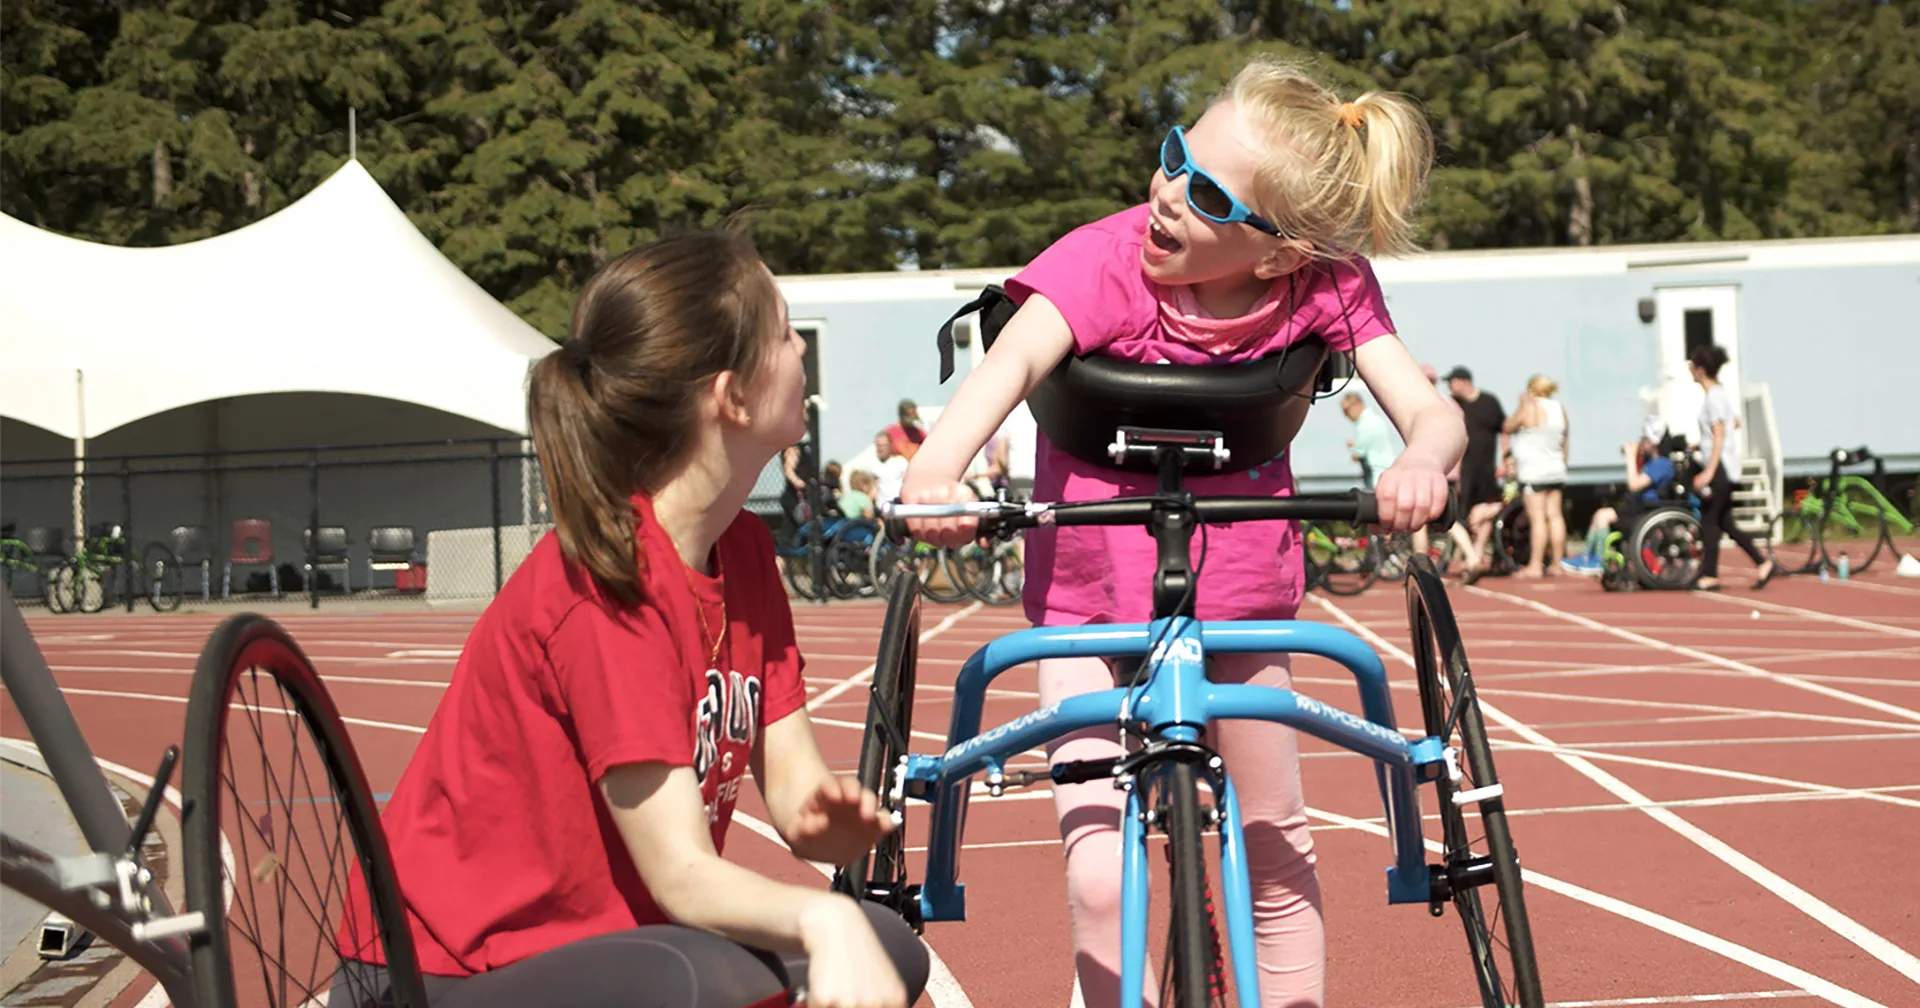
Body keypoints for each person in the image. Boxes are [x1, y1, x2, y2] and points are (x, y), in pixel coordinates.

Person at [898, 57, 1460, 1007]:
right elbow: (1009, 363)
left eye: (1204, 194)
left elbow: (1432, 413)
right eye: (1173, 156)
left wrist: (1420, 460)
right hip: (1084, 607)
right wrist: (935, 471)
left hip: (1242, 610)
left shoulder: (1324, 285)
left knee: (1279, 849)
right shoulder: (1102, 260)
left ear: (1280, 254)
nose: (1165, 194)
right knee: (1097, 870)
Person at [332, 230, 929, 1008]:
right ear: (733, 396)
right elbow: (682, 874)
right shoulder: (609, 586)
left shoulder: (742, 550)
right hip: (440, 972)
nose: (800, 353)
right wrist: (821, 918)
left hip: (613, 947)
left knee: (888, 948)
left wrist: (830, 822)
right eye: (784, 333)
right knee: (704, 979)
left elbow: (793, 791)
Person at [1689, 344, 1774, 591]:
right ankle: (1762, 562)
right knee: (1725, 522)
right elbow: (1733, 422)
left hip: (1720, 470)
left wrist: (1708, 471)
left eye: (1692, 366)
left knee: (1710, 521)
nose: (1690, 371)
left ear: (1701, 370)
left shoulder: (1714, 398)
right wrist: (1700, 443)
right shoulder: (1718, 395)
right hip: (1723, 466)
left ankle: (1710, 574)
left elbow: (1720, 433)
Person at [1562, 418, 1687, 574]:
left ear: (1654, 442)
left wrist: (1630, 458)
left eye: (1645, 439)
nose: (1642, 442)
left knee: (1602, 516)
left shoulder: (1661, 464)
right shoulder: (1651, 462)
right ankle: (1588, 556)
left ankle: (1599, 560)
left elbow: (1634, 485)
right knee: (1599, 515)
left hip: (1647, 510)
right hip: (1638, 507)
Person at [1501, 374, 1569, 577]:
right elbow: (1566, 439)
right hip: (1555, 468)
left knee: (1537, 518)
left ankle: (1536, 565)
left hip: (1534, 471)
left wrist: (1520, 404)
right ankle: (1557, 563)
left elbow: (1508, 427)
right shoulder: (1559, 408)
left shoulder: (1529, 407)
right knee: (1555, 516)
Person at [1445, 366, 1507, 581]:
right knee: (1463, 514)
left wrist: (1505, 459)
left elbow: (1504, 429)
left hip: (1486, 467)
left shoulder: (1489, 402)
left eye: (1451, 382)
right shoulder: (1456, 405)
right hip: (1464, 469)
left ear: (1463, 381)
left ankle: (1477, 554)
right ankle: (1470, 556)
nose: (1449, 388)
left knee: (1486, 510)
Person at [1341, 391, 1398, 490]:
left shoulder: (1365, 424)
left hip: (1376, 473)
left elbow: (1358, 453)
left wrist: (1353, 449)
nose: (1346, 415)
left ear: (1357, 404)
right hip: (1384, 471)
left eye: (1346, 410)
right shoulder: (1374, 420)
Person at [868, 432, 909, 506]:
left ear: (890, 445)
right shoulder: (874, 464)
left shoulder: (900, 461)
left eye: (884, 445)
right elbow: (874, 487)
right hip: (882, 506)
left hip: (899, 503)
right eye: (878, 445)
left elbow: (908, 481)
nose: (881, 448)